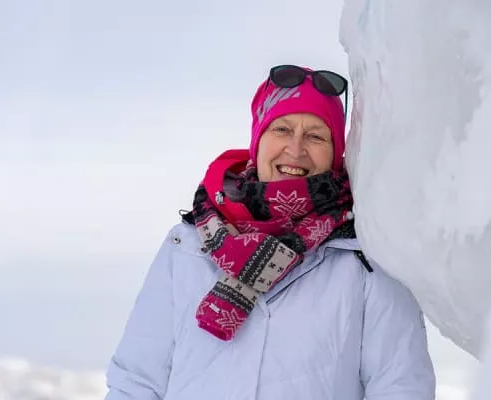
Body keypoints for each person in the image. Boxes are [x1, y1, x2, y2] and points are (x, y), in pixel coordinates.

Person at [104, 64, 436, 399]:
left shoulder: (365, 256)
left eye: (316, 136)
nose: (296, 148)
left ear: (336, 153)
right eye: (282, 129)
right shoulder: (187, 245)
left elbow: (400, 384)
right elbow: (136, 382)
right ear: (258, 139)